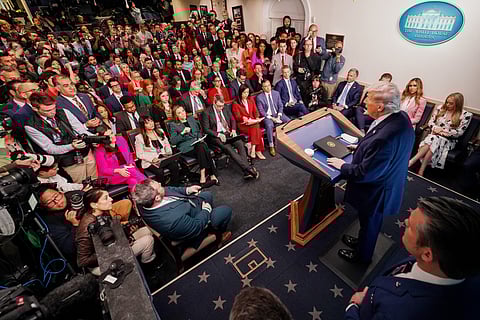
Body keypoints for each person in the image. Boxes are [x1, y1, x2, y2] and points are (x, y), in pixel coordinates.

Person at [345, 196, 480, 320]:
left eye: (410, 226)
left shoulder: (399, 312)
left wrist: (354, 306)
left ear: (427, 254)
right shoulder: (454, 264)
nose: (404, 222)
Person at [327, 82, 415, 263]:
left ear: (380, 107)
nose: (365, 101)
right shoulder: (400, 117)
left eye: (368, 98)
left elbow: (365, 173)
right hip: (389, 180)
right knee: (368, 223)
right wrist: (361, 148)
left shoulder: (385, 137)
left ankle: (362, 257)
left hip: (378, 191)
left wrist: (342, 165)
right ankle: (361, 244)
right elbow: (378, 146)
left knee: (370, 224)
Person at [132, 179, 232, 247]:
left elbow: (168, 190)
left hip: (187, 207)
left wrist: (187, 190)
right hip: (194, 225)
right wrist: (206, 210)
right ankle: (219, 233)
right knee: (226, 210)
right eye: (159, 186)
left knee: (207, 194)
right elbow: (196, 226)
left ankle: (212, 217)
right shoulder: (173, 221)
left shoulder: (145, 199)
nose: (160, 183)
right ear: (157, 198)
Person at [76, 189, 156, 272]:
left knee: (148, 231)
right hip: (101, 263)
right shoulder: (86, 228)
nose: (111, 199)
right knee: (148, 240)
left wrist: (126, 233)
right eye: (106, 198)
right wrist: (113, 250)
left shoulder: (102, 212)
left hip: (115, 245)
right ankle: (147, 267)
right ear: (94, 205)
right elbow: (82, 261)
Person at [25, 92, 97, 184]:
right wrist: (71, 146)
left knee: (95, 182)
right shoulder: (31, 126)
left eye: (54, 108)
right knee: (81, 186)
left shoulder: (63, 112)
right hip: (68, 162)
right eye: (47, 110)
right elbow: (50, 149)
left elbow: (80, 129)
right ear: (35, 108)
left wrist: (94, 139)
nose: (53, 112)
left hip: (85, 154)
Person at [409, 93, 472, 176]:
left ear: (458, 104)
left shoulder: (465, 115)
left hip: (449, 141)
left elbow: (459, 132)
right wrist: (436, 129)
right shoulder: (440, 108)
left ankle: (412, 161)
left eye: (451, 103)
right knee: (434, 140)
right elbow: (430, 122)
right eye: (447, 102)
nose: (447, 105)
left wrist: (442, 131)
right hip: (434, 136)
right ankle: (421, 170)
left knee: (434, 139)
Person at [202, 95, 260, 179]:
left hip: (228, 132)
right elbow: (206, 129)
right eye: (219, 106)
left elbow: (232, 119)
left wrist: (233, 129)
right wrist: (218, 134)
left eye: (222, 106)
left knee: (240, 143)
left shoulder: (225, 107)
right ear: (214, 103)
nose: (221, 108)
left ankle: (246, 171)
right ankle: (249, 169)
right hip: (216, 136)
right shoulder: (206, 112)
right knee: (229, 149)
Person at [169, 105, 218, 186]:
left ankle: (203, 174)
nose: (182, 114)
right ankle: (212, 174)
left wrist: (200, 137)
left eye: (183, 111)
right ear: (176, 115)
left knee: (201, 146)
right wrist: (182, 133)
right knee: (203, 147)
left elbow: (198, 131)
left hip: (198, 144)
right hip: (187, 148)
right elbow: (173, 141)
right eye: (179, 113)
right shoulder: (173, 125)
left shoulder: (191, 119)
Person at [38, 187, 83, 263]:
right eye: (50, 202)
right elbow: (69, 248)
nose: (58, 203)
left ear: (61, 192)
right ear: (45, 207)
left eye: (56, 197)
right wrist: (75, 225)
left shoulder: (75, 196)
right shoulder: (51, 222)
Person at [135, 116, 181, 186]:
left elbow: (167, 144)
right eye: (147, 123)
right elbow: (139, 154)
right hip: (150, 161)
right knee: (159, 171)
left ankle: (174, 186)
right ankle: (162, 189)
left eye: (151, 121)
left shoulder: (160, 131)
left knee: (174, 165)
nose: (151, 124)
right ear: (143, 126)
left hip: (163, 157)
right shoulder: (139, 138)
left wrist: (168, 153)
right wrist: (152, 159)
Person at [256, 80, 290, 156]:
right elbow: (261, 111)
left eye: (269, 85)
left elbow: (280, 105)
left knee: (288, 121)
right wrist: (272, 118)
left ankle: (288, 140)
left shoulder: (276, 93)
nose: (268, 88)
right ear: (262, 88)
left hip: (277, 114)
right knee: (269, 125)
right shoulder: (259, 97)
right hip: (267, 116)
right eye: (265, 86)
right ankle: (271, 146)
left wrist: (279, 116)